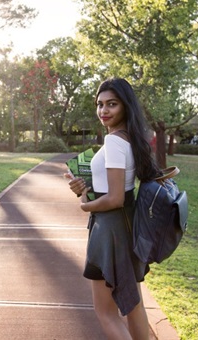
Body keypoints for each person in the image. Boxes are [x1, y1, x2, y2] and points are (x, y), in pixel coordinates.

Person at [66, 77, 159, 340]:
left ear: (125, 107)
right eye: (100, 104)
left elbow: (115, 198)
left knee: (106, 312)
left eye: (112, 104)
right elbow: (119, 191)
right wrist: (83, 190)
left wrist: (85, 207)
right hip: (125, 224)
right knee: (133, 304)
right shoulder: (129, 138)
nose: (103, 111)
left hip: (110, 229)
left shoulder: (115, 142)